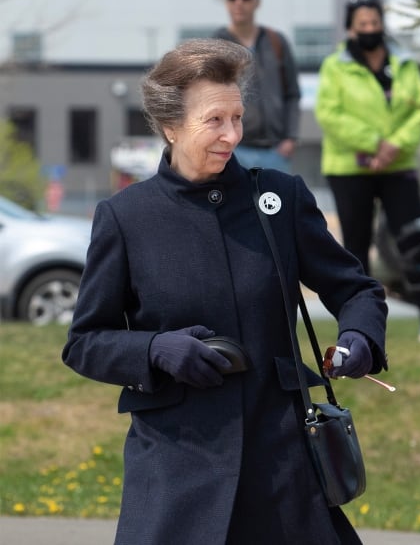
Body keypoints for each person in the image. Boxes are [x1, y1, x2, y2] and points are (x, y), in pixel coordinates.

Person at [62, 38, 387, 545]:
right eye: (215, 120)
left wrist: (361, 339)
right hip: (175, 469)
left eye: (237, 118)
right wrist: (153, 349)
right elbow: (84, 342)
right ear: (170, 126)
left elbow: (357, 291)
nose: (232, 134)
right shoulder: (126, 218)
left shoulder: (279, 197)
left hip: (282, 464)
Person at [314, 0, 420, 343]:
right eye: (362, 24)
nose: (369, 29)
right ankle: (360, 328)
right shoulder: (335, 67)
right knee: (356, 249)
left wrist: (395, 144)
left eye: (374, 23)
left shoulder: (404, 64)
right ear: (351, 29)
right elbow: (329, 115)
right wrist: (374, 142)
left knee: (416, 239)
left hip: (398, 165)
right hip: (349, 168)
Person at [213, 0, 300, 172]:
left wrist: (290, 138)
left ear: (257, 2)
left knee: (280, 200)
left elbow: (292, 94)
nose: (239, 2)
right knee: (236, 201)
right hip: (233, 150)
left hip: (276, 151)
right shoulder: (217, 45)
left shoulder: (276, 41)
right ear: (226, 3)